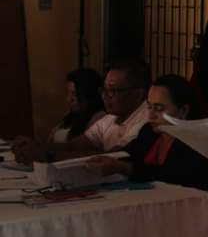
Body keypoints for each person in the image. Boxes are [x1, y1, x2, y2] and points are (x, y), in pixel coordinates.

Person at [87, 74, 208, 220]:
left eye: (159, 109)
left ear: (183, 110)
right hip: (151, 211)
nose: (151, 116)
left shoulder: (199, 141)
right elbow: (129, 153)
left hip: (190, 214)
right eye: (149, 107)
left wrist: (124, 168)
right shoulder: (149, 131)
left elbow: (172, 178)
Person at [14, 58, 151, 164]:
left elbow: (114, 157)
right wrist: (37, 147)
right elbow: (75, 146)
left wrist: (47, 155)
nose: (104, 96)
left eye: (113, 91)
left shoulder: (146, 121)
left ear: (137, 94)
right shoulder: (110, 118)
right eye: (104, 90)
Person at [46, 68, 106, 143]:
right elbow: (51, 139)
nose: (69, 99)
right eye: (68, 93)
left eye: (74, 94)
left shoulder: (99, 118)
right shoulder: (70, 115)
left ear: (89, 94)